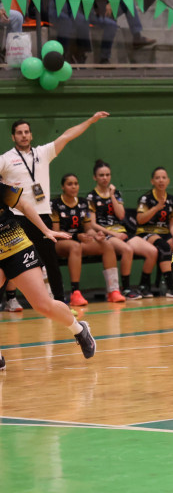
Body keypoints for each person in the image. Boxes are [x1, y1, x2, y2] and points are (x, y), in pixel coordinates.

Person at [0, 113, 108, 310]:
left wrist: (91, 121)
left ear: (31, 135)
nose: (23, 135)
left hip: (41, 215)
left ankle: (60, 300)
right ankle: (10, 299)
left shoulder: (43, 153)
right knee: (13, 259)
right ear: (13, 137)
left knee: (50, 260)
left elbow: (67, 136)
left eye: (26, 132)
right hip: (16, 218)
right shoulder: (5, 159)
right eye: (19, 133)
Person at [0, 183, 94, 358]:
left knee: (43, 305)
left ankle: (79, 329)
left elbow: (24, 205)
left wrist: (45, 229)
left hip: (16, 246)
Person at [87, 160, 160, 300]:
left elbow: (121, 215)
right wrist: (112, 233)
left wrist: (112, 196)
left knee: (152, 251)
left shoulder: (116, 193)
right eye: (101, 175)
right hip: (106, 234)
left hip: (122, 232)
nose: (105, 178)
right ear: (94, 177)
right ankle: (126, 289)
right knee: (127, 250)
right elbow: (93, 224)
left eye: (107, 174)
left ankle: (143, 287)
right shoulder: (91, 197)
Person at [51, 173, 124, 306]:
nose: (74, 187)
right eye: (69, 184)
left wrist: (96, 235)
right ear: (63, 187)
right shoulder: (56, 204)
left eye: (76, 184)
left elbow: (88, 228)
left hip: (79, 241)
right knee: (75, 246)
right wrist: (75, 236)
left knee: (106, 245)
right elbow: (56, 232)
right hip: (60, 242)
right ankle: (75, 293)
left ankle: (113, 291)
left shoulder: (83, 203)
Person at [135, 167, 173, 298]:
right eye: (157, 178)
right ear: (152, 181)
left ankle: (148, 285)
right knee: (163, 246)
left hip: (164, 232)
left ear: (168, 181)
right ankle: (170, 287)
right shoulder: (146, 198)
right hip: (146, 231)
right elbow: (140, 219)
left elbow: (172, 222)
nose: (161, 180)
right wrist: (156, 207)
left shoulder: (171, 199)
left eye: (164, 177)